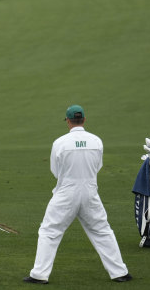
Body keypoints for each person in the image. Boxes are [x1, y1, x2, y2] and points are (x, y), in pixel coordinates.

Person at [24, 105, 132, 284]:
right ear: (84, 119)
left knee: (49, 231)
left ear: (67, 121)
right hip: (90, 191)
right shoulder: (97, 141)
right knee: (102, 231)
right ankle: (120, 272)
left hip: (66, 191)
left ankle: (39, 274)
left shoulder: (60, 142)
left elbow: (55, 170)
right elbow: (98, 166)